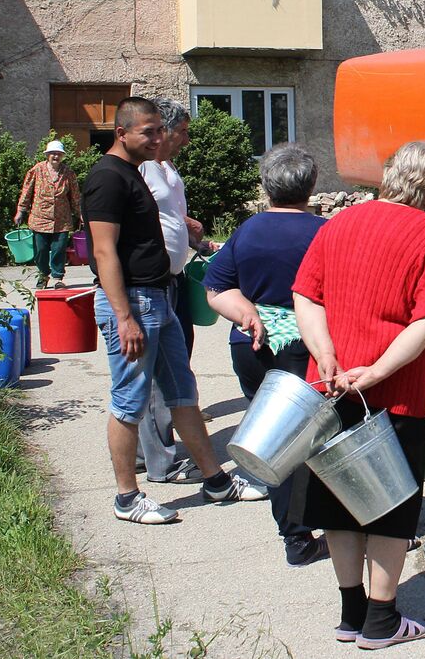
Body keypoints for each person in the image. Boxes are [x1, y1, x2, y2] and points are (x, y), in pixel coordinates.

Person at [292, 140, 425, 648]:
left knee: (337, 502)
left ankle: (352, 615)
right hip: (395, 393)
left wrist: (325, 354)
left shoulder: (339, 223)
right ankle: (383, 620)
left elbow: (305, 293)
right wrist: (377, 370)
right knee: (391, 507)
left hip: (328, 387)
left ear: (388, 176)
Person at [84, 96, 266, 525]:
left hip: (161, 295)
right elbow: (103, 251)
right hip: (134, 302)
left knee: (183, 394)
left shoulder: (133, 174)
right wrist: (124, 315)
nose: (157, 138)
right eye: (147, 131)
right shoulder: (107, 178)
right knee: (129, 400)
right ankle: (127, 497)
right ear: (121, 133)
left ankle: (216, 481)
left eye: (158, 130)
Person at [205, 143, 329, 567]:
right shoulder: (324, 232)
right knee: (318, 438)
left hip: (252, 347)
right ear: (310, 186)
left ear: (267, 186)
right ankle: (327, 530)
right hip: (309, 347)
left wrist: (248, 315)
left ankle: (296, 535)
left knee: (278, 442)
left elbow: (215, 289)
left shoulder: (248, 230)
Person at [130, 99, 204, 486]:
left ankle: (149, 453)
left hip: (171, 280)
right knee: (158, 376)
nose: (187, 140)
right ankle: (162, 460)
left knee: (171, 368)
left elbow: (168, 217)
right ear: (162, 132)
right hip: (150, 284)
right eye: (183, 132)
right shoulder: (141, 168)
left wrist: (191, 233)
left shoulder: (166, 168)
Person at [15, 139, 82, 289]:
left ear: (62, 156)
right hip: (40, 217)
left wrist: (80, 213)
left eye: (58, 154)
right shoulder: (37, 170)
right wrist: (21, 210)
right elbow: (27, 191)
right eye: (53, 154)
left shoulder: (68, 173)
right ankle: (43, 276)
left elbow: (75, 196)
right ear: (47, 155)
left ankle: (58, 277)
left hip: (61, 219)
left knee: (59, 249)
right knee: (41, 250)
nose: (55, 157)